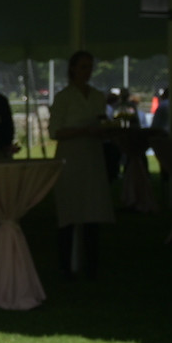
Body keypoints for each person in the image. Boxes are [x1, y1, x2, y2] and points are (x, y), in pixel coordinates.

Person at [49, 50, 115, 280]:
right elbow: (54, 131)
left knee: (93, 214)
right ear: (73, 69)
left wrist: (102, 130)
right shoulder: (64, 97)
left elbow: (102, 122)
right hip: (71, 159)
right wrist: (84, 130)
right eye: (83, 67)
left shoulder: (97, 95)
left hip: (92, 157)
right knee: (68, 213)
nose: (87, 71)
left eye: (90, 66)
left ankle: (92, 267)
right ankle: (65, 266)